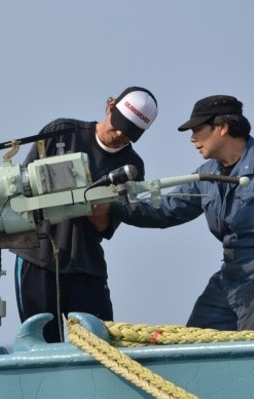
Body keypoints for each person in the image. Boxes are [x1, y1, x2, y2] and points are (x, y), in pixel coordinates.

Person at [110, 95, 254, 330]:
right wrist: (111, 205)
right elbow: (165, 210)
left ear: (223, 128)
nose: (192, 138)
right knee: (193, 343)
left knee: (253, 357)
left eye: (197, 129)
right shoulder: (205, 174)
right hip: (228, 276)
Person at [10, 87, 158, 342]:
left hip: (86, 263)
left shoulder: (132, 167)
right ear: (110, 106)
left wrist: (96, 206)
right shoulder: (61, 131)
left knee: (100, 344)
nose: (121, 134)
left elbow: (106, 227)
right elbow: (22, 187)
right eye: (120, 124)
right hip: (38, 257)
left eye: (130, 133)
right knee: (41, 342)